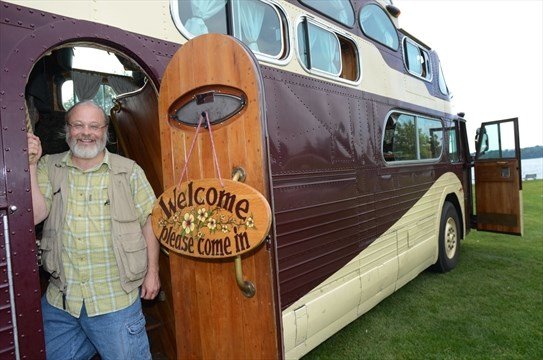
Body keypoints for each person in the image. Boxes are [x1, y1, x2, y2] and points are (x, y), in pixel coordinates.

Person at [27, 100, 160, 360]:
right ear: (67, 129)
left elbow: (150, 220)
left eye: (93, 126)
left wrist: (152, 272)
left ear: (105, 131)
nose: (86, 132)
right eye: (78, 125)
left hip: (114, 299)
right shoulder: (48, 166)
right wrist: (31, 164)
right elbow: (35, 215)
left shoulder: (129, 171)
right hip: (62, 301)